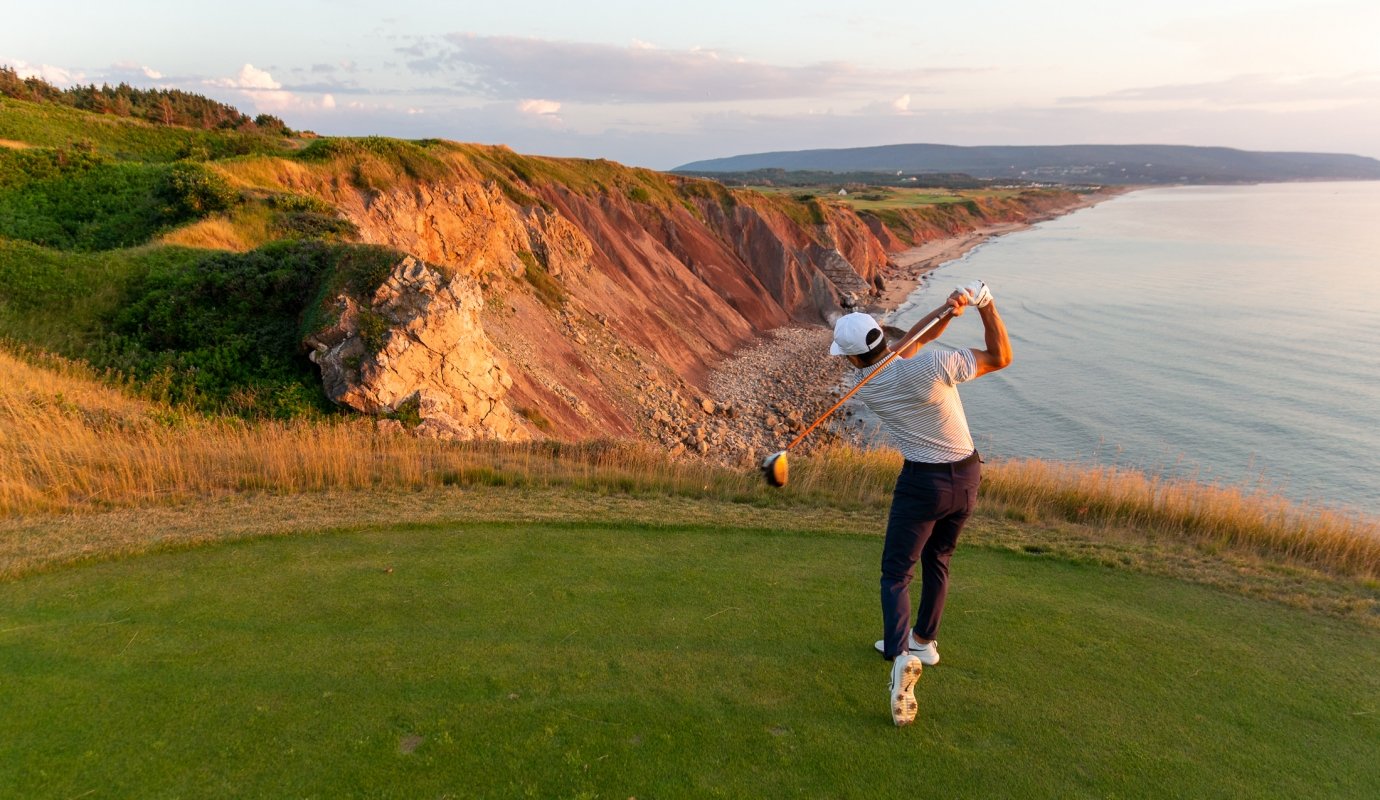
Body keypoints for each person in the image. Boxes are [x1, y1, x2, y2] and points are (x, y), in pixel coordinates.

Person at [828, 280, 1010, 726]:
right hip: (966, 477)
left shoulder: (864, 383)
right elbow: (1000, 356)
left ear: (853, 357)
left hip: (922, 483)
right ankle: (924, 641)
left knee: (896, 573)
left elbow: (913, 341)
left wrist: (946, 313)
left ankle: (898, 655)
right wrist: (984, 305)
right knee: (939, 560)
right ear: (880, 338)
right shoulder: (937, 365)